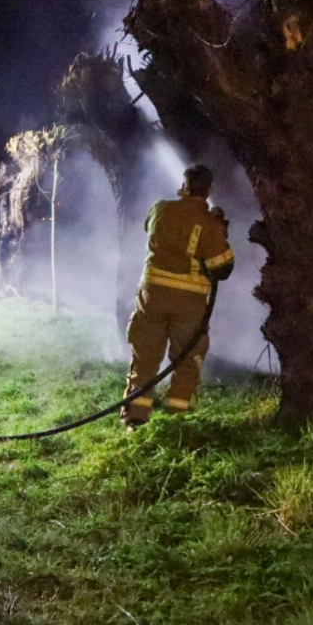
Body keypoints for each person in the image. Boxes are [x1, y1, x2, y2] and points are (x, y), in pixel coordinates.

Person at [122, 165, 234, 428]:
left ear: (184, 186)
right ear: (208, 190)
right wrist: (219, 229)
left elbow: (150, 227)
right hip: (189, 302)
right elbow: (223, 268)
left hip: (151, 296)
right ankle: (177, 420)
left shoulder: (160, 209)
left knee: (145, 356)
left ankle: (135, 419)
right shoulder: (209, 223)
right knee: (187, 359)